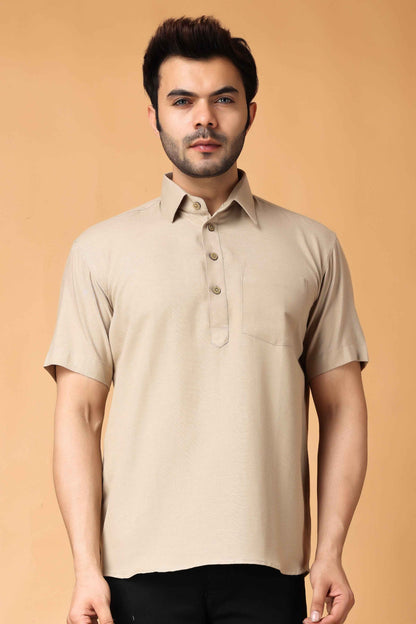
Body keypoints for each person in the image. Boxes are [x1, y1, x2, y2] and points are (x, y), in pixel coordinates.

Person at [43, 14, 369, 624]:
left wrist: (330, 552)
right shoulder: (100, 251)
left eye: (224, 99)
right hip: (135, 570)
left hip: (272, 566)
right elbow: (79, 415)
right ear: (154, 115)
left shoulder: (313, 248)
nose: (204, 119)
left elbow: (343, 408)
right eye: (182, 101)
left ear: (250, 112)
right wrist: (86, 568)